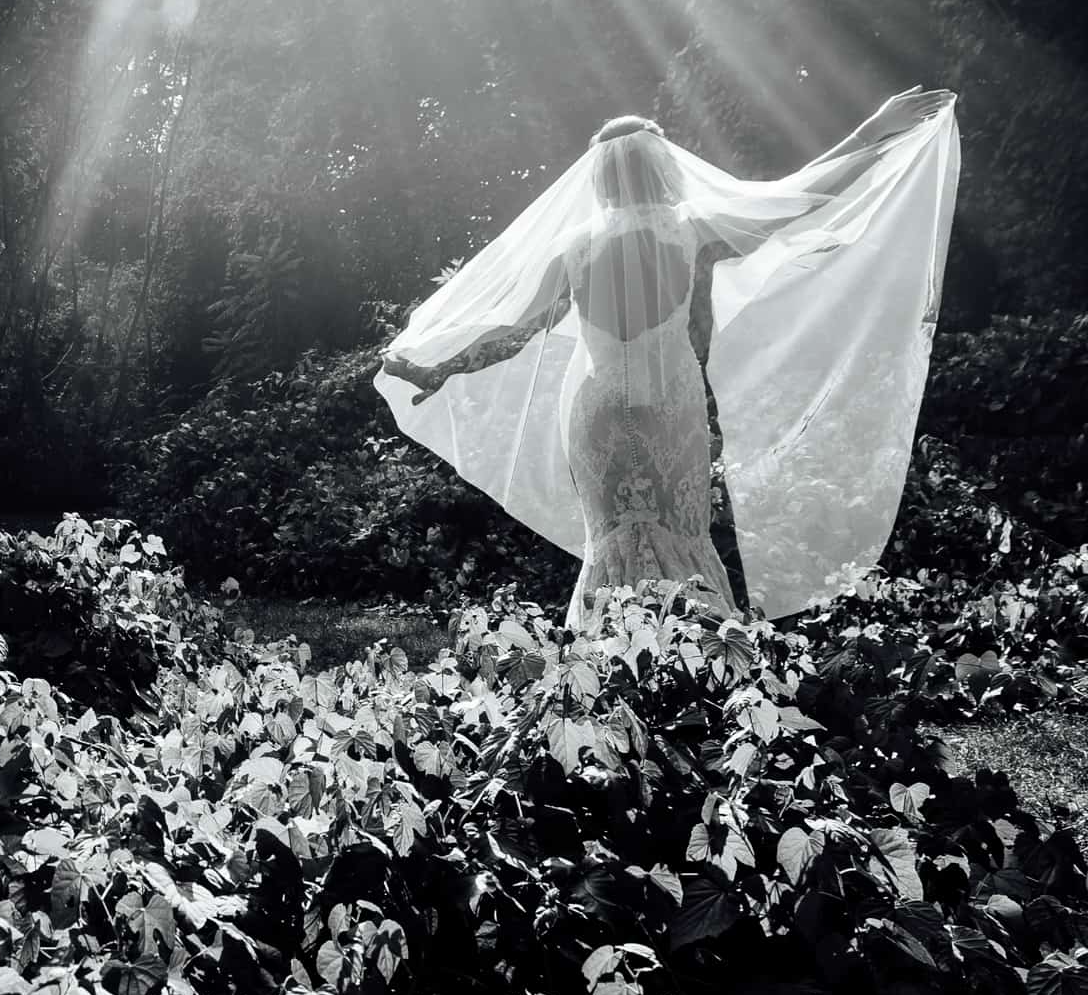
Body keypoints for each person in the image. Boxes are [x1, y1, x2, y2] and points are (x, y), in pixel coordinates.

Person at [377, 88, 960, 627]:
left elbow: (506, 320)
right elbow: (798, 198)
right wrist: (875, 133)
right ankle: (696, 659)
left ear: (599, 180)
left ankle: (610, 659)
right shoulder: (688, 228)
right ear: (662, 165)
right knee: (678, 531)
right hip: (668, 405)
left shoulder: (575, 247)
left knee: (611, 535)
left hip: (597, 407)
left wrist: (433, 361)